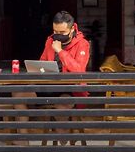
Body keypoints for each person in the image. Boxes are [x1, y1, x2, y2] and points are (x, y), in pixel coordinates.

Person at [12, 11, 90, 143]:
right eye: (55, 31)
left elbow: (79, 70)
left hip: (71, 89)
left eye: (62, 32)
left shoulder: (82, 44)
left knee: (62, 105)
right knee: (18, 93)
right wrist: (37, 70)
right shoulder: (50, 41)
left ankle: (62, 141)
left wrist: (60, 51)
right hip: (49, 85)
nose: (58, 36)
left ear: (72, 29)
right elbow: (42, 61)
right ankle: (23, 138)